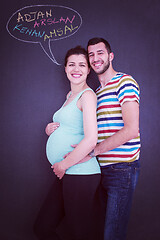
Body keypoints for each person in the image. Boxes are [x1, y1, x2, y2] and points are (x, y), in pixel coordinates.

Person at [47, 38, 141, 240]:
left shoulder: (124, 82)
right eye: (91, 55)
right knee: (96, 229)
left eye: (101, 53)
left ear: (110, 56)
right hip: (100, 167)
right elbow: (79, 125)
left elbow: (132, 129)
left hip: (121, 167)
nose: (96, 58)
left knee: (112, 233)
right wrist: (54, 129)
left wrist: (92, 151)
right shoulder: (97, 92)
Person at [34, 46, 102, 240]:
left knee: (79, 233)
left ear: (89, 70)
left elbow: (91, 139)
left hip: (80, 173)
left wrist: (63, 164)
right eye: (71, 64)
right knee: (42, 227)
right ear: (65, 68)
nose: (76, 68)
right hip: (68, 172)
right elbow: (72, 125)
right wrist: (52, 129)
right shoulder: (69, 97)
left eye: (82, 65)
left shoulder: (87, 96)